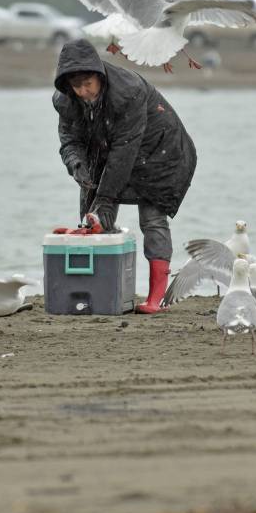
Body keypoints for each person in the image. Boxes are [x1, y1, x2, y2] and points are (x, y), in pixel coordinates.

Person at [53, 39, 196, 314]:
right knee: (93, 215)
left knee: (152, 219)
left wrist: (105, 198)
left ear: (99, 77)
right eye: (76, 86)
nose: (83, 92)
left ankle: (156, 298)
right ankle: (98, 289)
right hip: (111, 149)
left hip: (161, 152)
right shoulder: (65, 100)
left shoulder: (128, 91)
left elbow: (124, 149)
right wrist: (76, 164)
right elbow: (69, 139)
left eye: (88, 85)